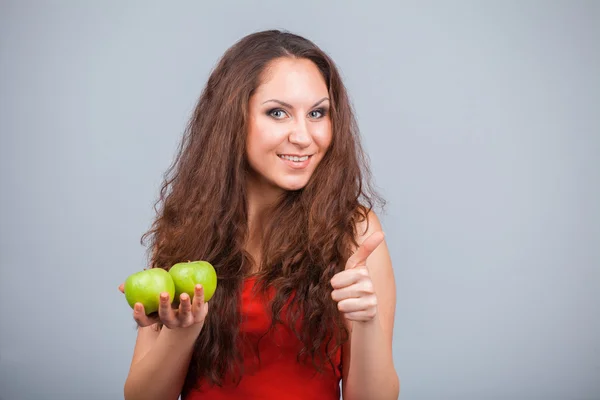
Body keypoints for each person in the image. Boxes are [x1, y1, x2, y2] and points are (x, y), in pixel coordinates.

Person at [119, 29, 399, 400]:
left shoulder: (355, 232)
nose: (303, 136)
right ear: (233, 119)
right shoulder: (187, 230)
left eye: (317, 113)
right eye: (278, 113)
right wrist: (182, 330)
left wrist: (365, 323)